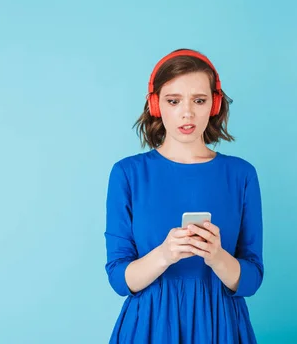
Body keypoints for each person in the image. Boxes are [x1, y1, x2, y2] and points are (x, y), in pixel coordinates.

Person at [103, 48, 264, 343]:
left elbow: (252, 279)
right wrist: (165, 254)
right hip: (149, 327)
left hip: (220, 326)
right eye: (174, 101)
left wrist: (217, 257)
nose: (187, 112)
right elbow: (119, 278)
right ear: (156, 105)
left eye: (199, 100)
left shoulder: (241, 174)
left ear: (214, 105)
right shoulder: (127, 173)